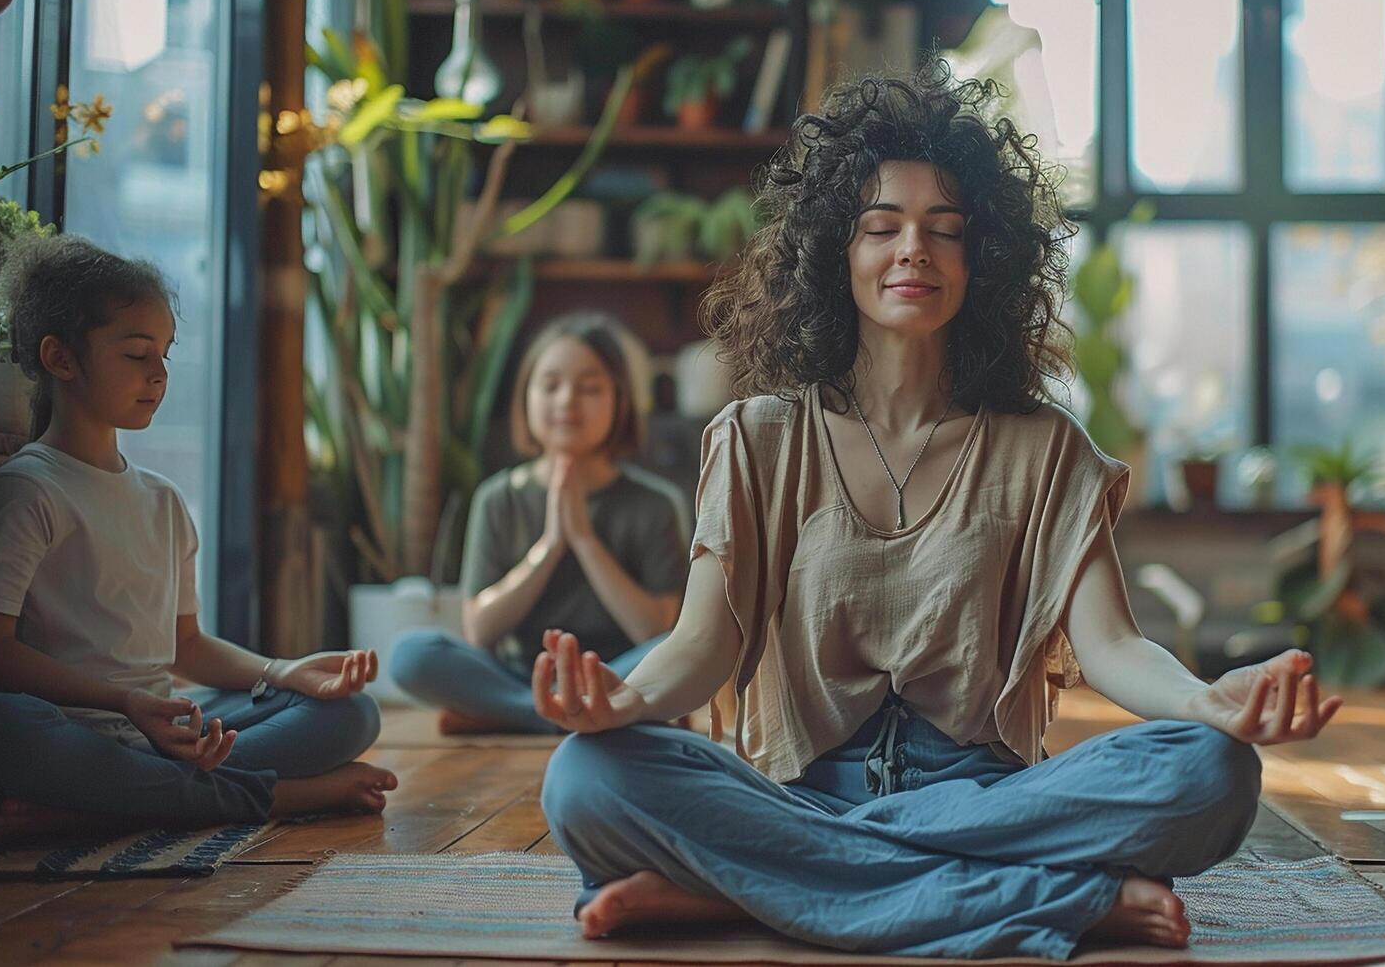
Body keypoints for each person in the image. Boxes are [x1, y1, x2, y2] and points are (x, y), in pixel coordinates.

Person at [531, 63, 1343, 959]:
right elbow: (701, 643)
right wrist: (626, 700)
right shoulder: (756, 438)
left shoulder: (1046, 448)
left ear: (980, 259)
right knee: (584, 778)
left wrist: (1206, 701)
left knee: (1212, 772)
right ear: (834, 253)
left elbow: (1112, 645)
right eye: (881, 228)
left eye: (943, 231)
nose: (912, 250)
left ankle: (745, 893)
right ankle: (1046, 897)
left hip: (990, 799)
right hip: (799, 795)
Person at [0, 235, 396, 841]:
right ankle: (278, 796)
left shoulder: (163, 501)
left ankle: (104, 807)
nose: (159, 375)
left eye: (166, 354)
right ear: (61, 359)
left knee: (351, 711)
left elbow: (185, 644)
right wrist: (125, 704)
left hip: (159, 733)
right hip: (75, 731)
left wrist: (285, 672)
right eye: (138, 354)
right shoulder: (29, 491)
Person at [390, 314, 689, 735]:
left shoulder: (655, 504)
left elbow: (655, 629)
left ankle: (524, 715)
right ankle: (561, 716)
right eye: (550, 385)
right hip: (520, 677)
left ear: (620, 400)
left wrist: (584, 540)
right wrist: (549, 546)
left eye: (589, 388)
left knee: (678, 652)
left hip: (616, 676)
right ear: (525, 399)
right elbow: (479, 629)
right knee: (412, 653)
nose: (567, 401)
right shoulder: (499, 498)